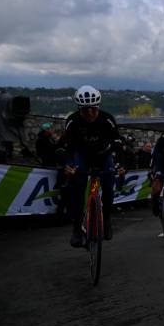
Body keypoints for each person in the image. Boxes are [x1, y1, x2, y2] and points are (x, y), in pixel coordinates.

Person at [61, 85, 125, 248]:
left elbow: (117, 143)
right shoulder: (73, 121)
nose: (89, 113)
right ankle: (76, 229)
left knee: (109, 186)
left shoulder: (107, 120)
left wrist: (120, 164)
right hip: (82, 156)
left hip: (103, 156)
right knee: (78, 188)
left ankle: (107, 220)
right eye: (85, 110)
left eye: (93, 109)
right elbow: (67, 147)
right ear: (79, 108)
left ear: (98, 107)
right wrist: (68, 164)